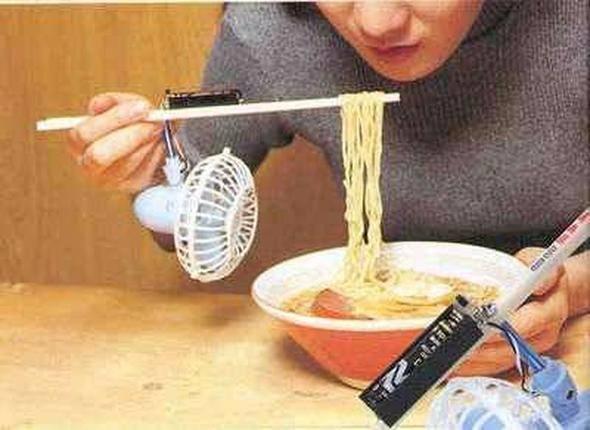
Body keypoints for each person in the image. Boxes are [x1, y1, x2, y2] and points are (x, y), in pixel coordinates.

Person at [66, 1, 589, 375]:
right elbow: (191, 212)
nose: (377, 21)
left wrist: (569, 288)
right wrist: (150, 177)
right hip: (377, 354)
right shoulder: (272, 26)